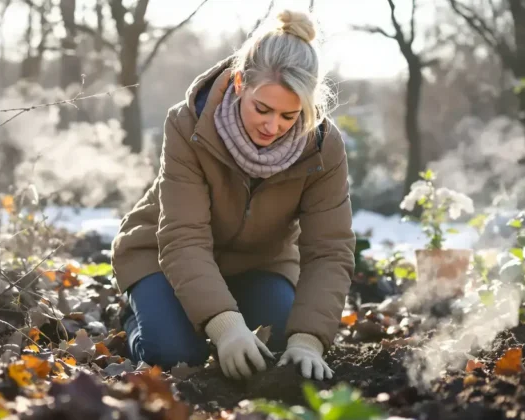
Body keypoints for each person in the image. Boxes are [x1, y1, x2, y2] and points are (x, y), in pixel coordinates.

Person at [110, 9, 355, 382]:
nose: (273, 127)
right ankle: (138, 312)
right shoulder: (187, 125)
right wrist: (225, 326)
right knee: (177, 356)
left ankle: (215, 315)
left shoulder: (323, 147)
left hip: (259, 265)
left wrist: (308, 340)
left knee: (278, 349)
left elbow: (330, 249)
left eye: (290, 116)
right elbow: (183, 237)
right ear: (240, 83)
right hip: (162, 257)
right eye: (263, 108)